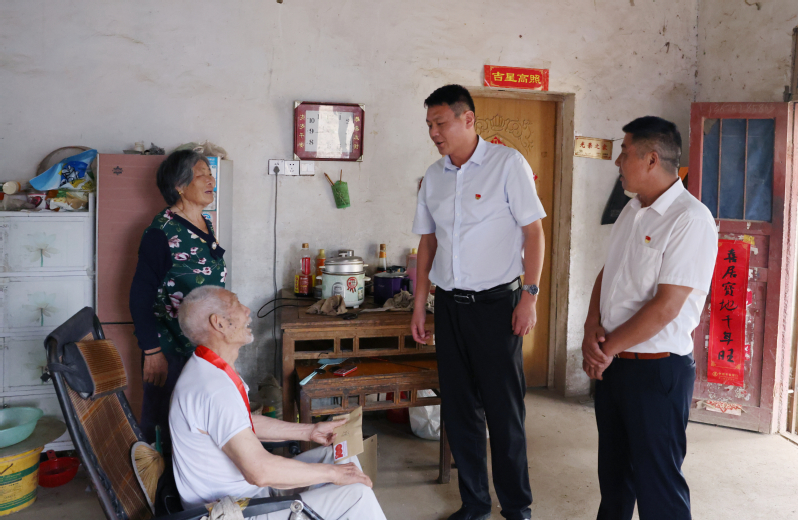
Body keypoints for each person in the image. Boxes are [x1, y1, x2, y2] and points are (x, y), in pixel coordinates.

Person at [410, 84, 546, 520]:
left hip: (497, 307)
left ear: (468, 119)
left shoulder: (508, 164)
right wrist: (420, 303)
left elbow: (534, 233)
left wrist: (530, 296)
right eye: (429, 124)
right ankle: (474, 504)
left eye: (440, 123)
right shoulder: (434, 176)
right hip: (450, 307)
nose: (433, 132)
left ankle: (517, 506)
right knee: (459, 409)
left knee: (504, 413)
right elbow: (428, 243)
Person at [581, 116, 717, 520]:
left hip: (657, 373)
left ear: (652, 159)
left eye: (624, 152)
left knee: (658, 487)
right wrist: (591, 328)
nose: (618, 162)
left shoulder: (690, 219)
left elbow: (666, 306)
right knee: (614, 481)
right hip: (616, 366)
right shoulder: (632, 209)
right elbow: (608, 273)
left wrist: (604, 349)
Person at [171, 286, 386, 520]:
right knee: (356, 494)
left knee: (340, 457)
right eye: (237, 304)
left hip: (250, 495)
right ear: (219, 323)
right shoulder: (213, 389)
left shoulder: (207, 369)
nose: (247, 310)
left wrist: (310, 431)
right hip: (235, 512)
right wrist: (333, 474)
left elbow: (244, 424)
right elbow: (259, 471)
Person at [129, 149, 226, 447]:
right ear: (179, 186)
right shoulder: (161, 232)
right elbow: (140, 294)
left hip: (202, 346)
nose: (210, 181)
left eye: (210, 174)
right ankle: (157, 477)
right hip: (170, 348)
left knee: (197, 424)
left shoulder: (205, 222)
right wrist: (152, 351)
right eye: (201, 175)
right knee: (164, 423)